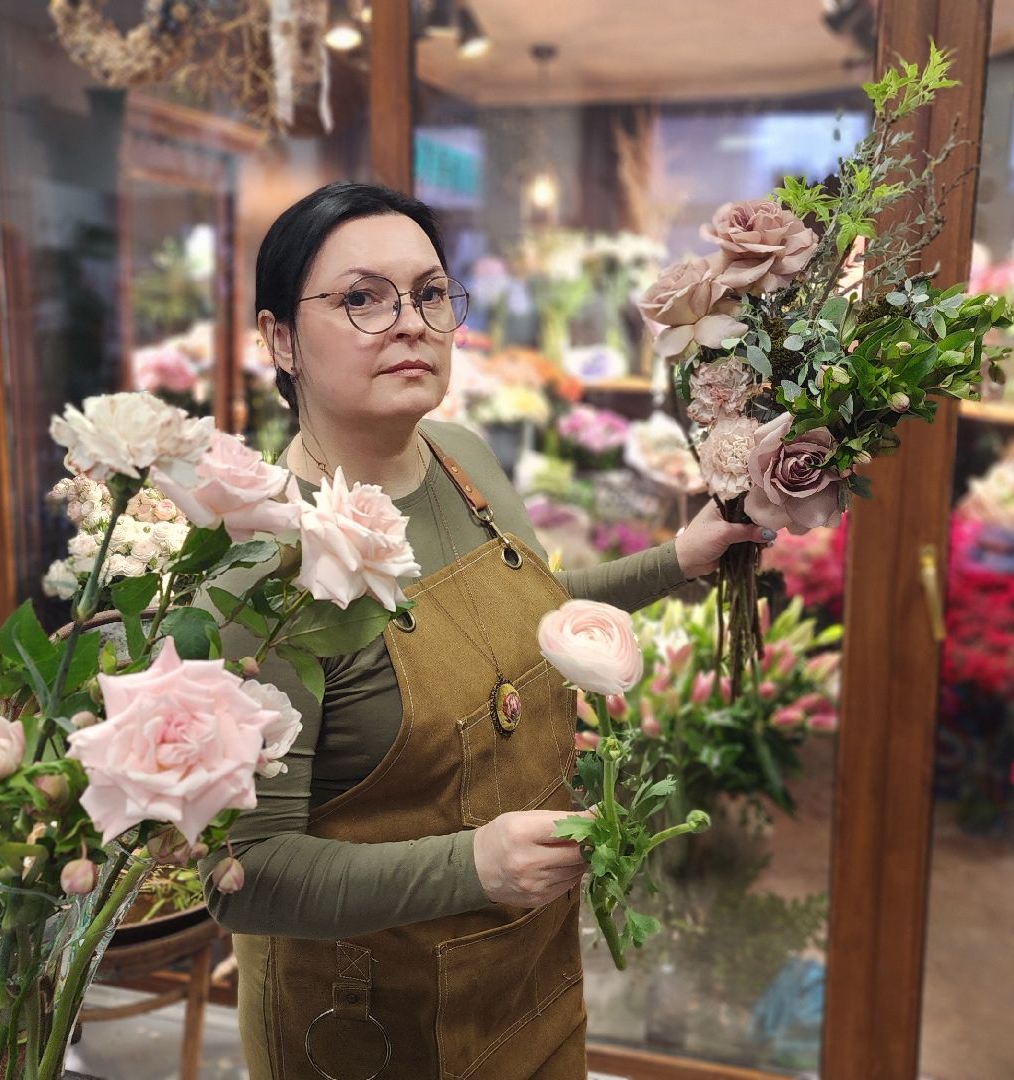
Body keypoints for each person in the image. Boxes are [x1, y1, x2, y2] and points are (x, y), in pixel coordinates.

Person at [204, 182, 770, 1079]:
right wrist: (473, 865)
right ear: (278, 339)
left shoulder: (461, 459)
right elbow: (247, 876)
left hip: (526, 976)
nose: (410, 323)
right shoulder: (257, 565)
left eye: (430, 293)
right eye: (362, 298)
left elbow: (533, 617)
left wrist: (680, 557)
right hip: (370, 1027)